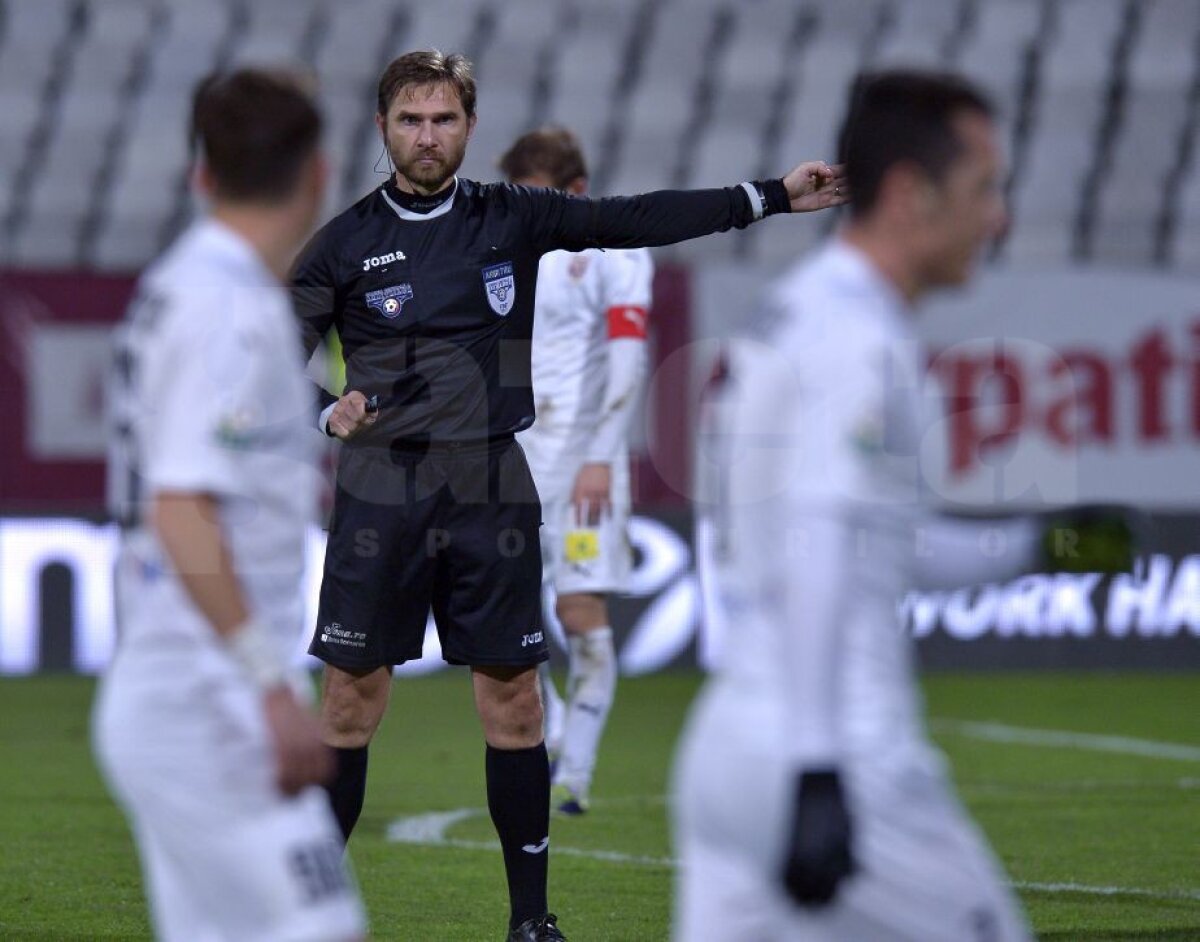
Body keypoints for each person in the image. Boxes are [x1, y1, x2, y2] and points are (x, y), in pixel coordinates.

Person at [291, 48, 846, 942]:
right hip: (380, 489)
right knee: (349, 705)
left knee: (515, 701)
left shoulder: (511, 217)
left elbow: (636, 219)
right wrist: (326, 411)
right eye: (410, 120)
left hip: (491, 484)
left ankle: (530, 923)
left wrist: (770, 194)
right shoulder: (345, 242)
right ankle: (303, 916)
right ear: (384, 129)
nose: (427, 136)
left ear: (470, 127)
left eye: (443, 119)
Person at [673, 69, 1034, 942]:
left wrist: (1038, 546)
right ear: (912, 193)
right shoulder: (855, 337)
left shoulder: (794, 310)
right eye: (985, 188)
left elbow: (880, 542)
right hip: (841, 746)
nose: (999, 218)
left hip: (726, 748)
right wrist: (818, 768)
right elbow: (818, 537)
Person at [94, 69, 366, 942]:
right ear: (320, 175)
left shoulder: (187, 286)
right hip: (205, 702)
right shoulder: (228, 309)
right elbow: (183, 510)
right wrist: (272, 687)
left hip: (176, 687)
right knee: (322, 925)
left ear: (200, 174)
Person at [497, 127, 652, 816]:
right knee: (507, 617)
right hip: (514, 462)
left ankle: (577, 775)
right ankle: (554, 729)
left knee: (579, 610)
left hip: (586, 461)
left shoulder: (614, 250)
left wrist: (600, 456)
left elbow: (627, 357)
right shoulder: (505, 249)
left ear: (578, 194)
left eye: (543, 199)